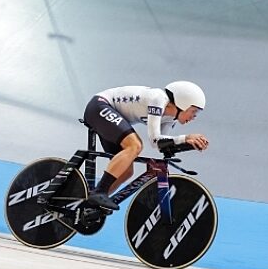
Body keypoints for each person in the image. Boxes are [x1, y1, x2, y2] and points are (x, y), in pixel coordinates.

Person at [82, 81, 209, 210]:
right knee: (135, 145)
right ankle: (99, 193)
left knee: (126, 171)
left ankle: (91, 204)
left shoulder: (170, 118)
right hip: (99, 105)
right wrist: (186, 137)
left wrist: (189, 144)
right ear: (183, 103)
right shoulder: (158, 99)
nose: (194, 117)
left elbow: (161, 144)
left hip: (108, 115)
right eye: (193, 111)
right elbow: (154, 140)